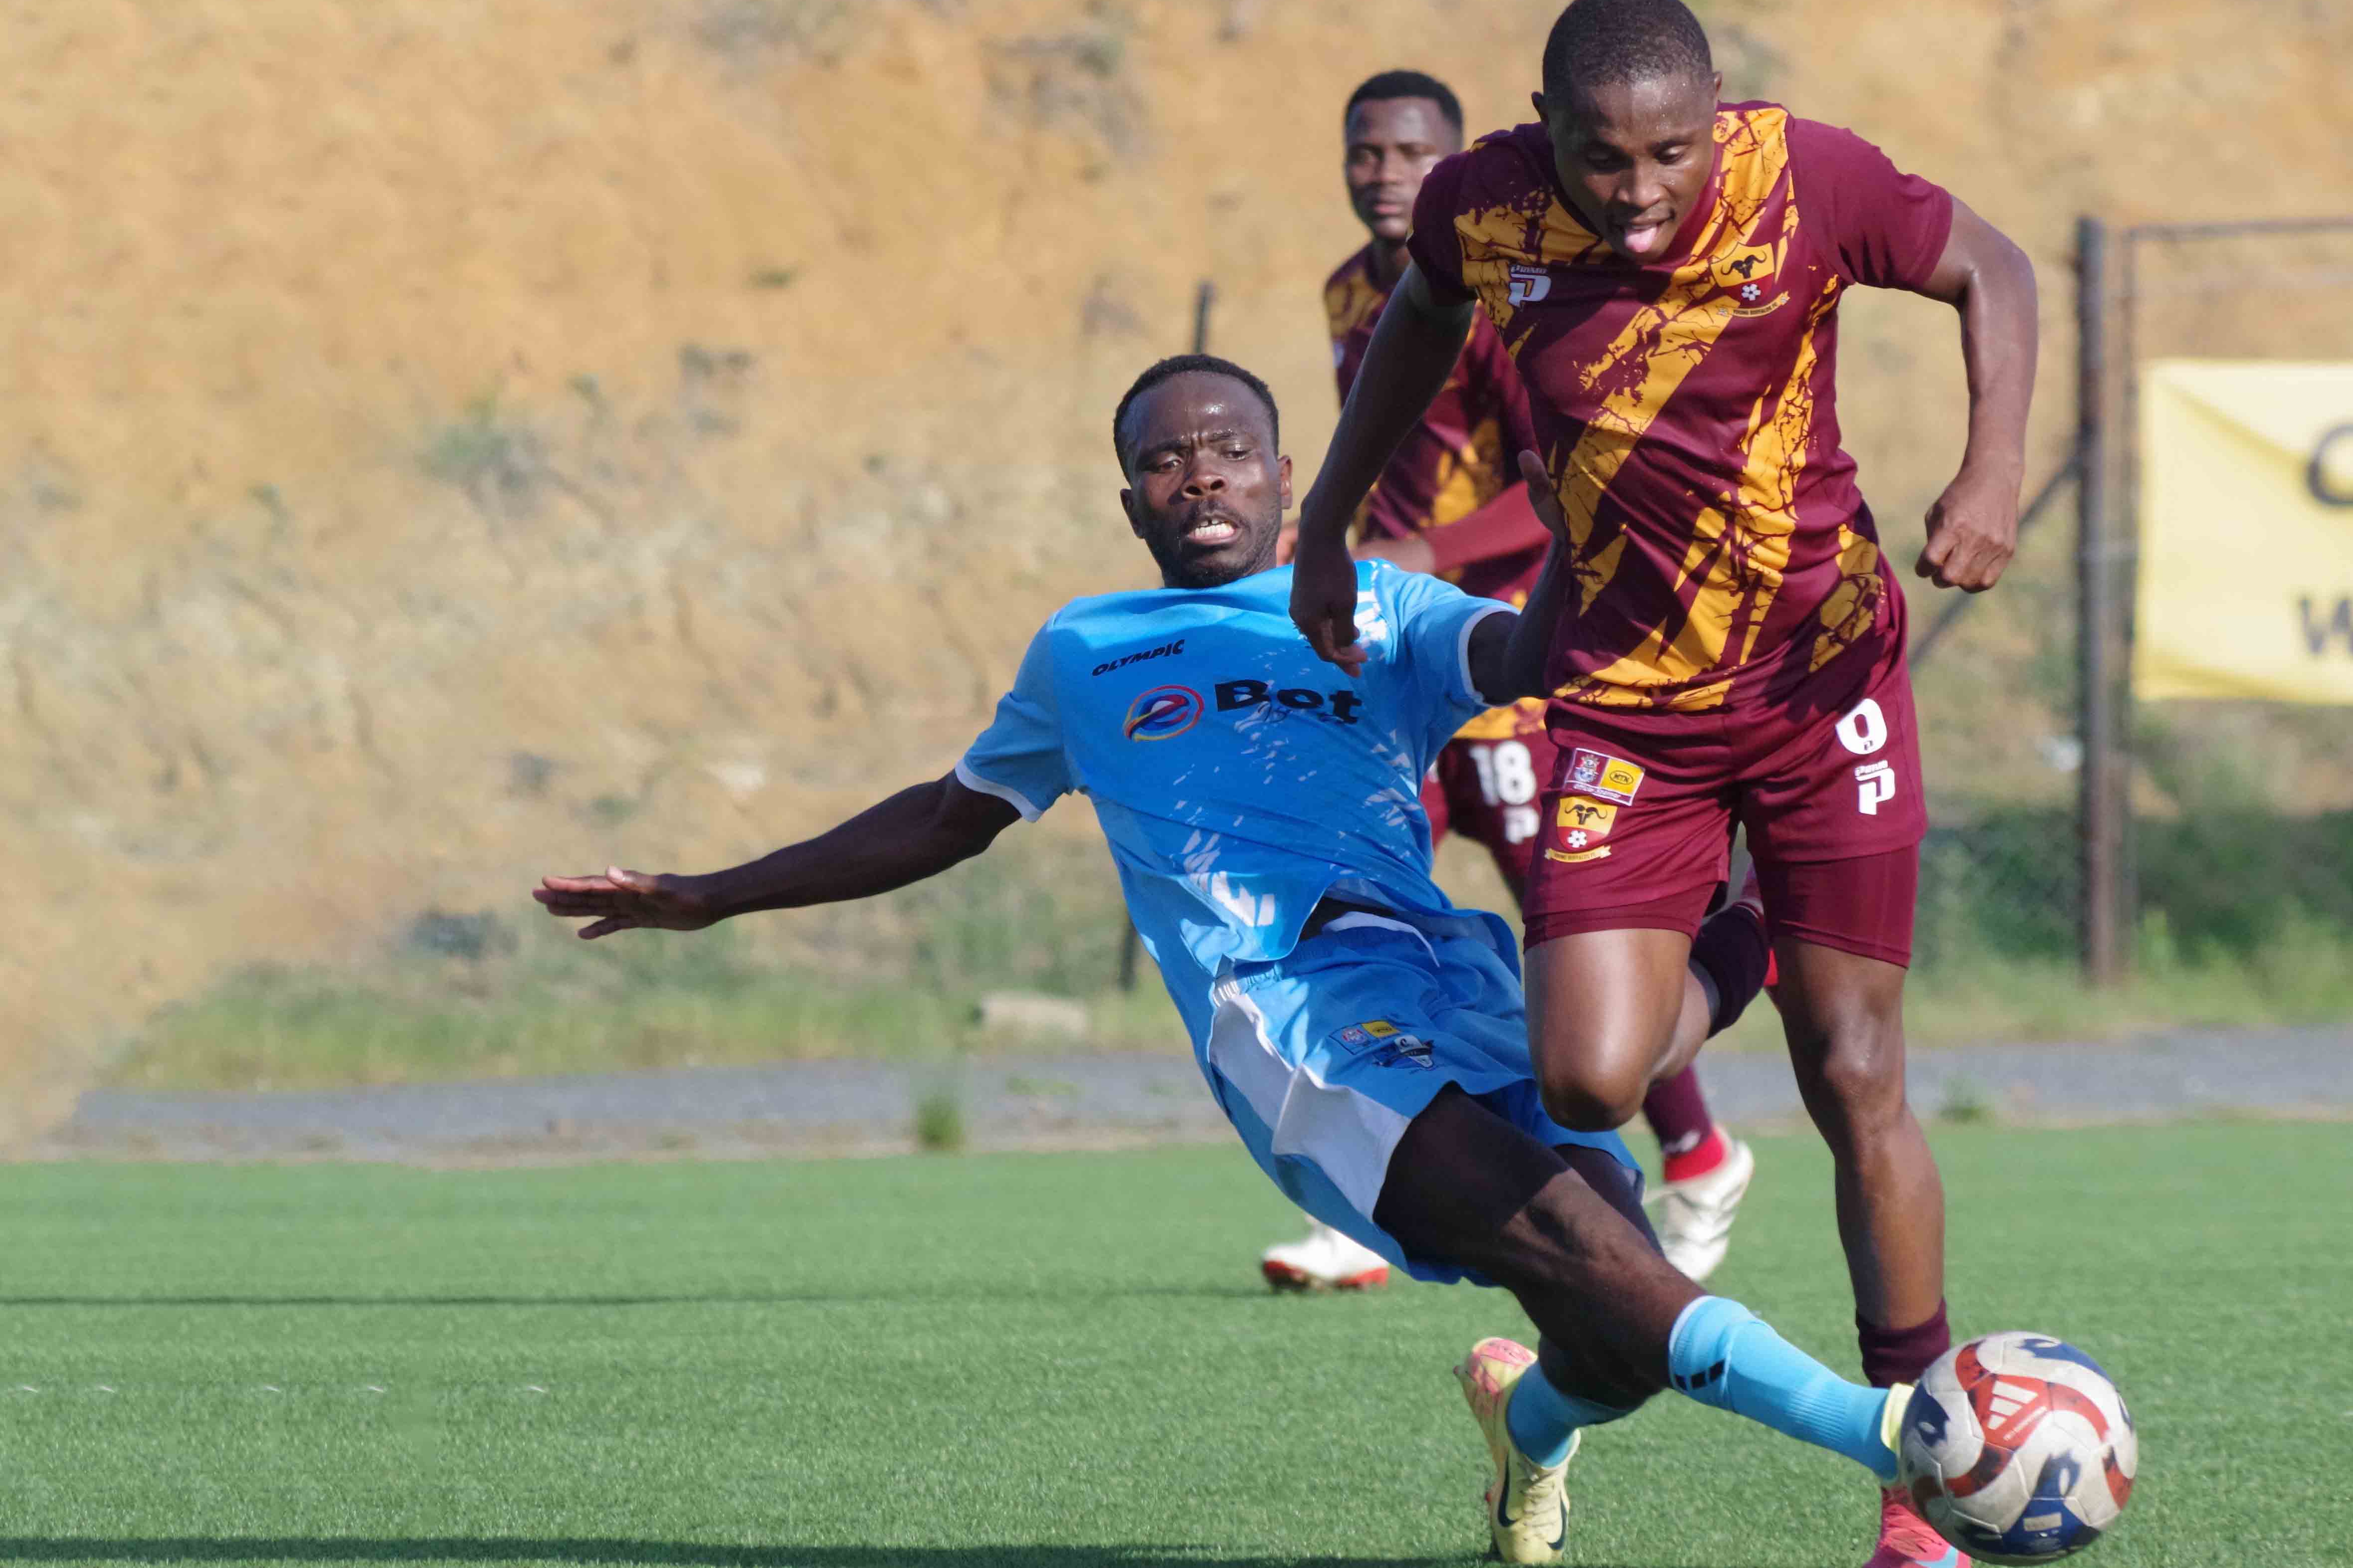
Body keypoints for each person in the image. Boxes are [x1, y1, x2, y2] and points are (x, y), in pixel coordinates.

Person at [533, 357, 1962, 1568]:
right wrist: (712, 894)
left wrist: (1579, 534)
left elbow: (1529, 658)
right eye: (1163, 461)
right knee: (1585, 1252)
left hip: (1450, 976)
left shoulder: (1378, 609)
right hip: (1291, 1016)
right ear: (1130, 501)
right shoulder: (1084, 650)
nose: (1199, 475)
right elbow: (944, 816)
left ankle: (1524, 1422)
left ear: (1290, 478)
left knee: (1614, 1318)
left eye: (1227, 450)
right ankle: (1908, 1439)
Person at [1283, 0, 2037, 1567]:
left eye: (1670, 154)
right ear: (1542, 129)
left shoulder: (1805, 178)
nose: (1639, 193)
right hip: (1627, 706)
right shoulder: (1484, 205)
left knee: (1854, 1071)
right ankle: (1749, 931)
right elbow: (1419, 317)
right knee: (1587, 1083)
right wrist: (1332, 521)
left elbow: (1995, 266)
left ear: (1716, 118)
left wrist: (1989, 468)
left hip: (1821, 678)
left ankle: (1917, 1500)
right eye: (1603, 157)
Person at [1262, 68, 1763, 1294]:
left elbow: (1540, 486)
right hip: (1405, 654)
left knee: (1568, 929)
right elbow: (1386, 455)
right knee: (1357, 899)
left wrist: (1420, 555)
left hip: (1519, 653)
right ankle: (1372, 1192)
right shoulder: (1349, 293)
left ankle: (1696, 1152)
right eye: (1364, 151)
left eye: (1409, 153)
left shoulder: (1495, 297)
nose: (1384, 173)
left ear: (1453, 165)